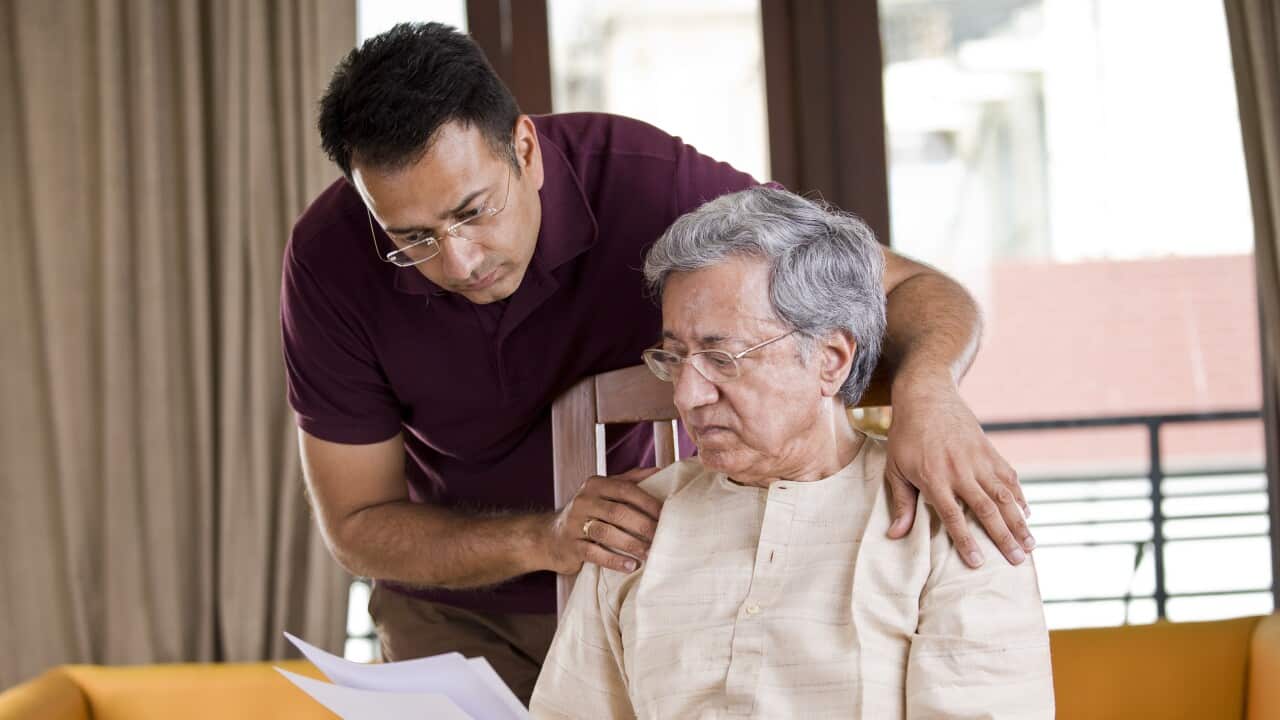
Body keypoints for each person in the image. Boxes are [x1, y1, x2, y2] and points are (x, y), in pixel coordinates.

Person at [283, 22, 1035, 701]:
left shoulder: (647, 184)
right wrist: (542, 539)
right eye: (411, 238)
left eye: (473, 211)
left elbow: (912, 290)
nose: (457, 260)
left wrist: (928, 392)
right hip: (457, 593)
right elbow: (357, 526)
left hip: (636, 570)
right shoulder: (331, 261)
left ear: (523, 148)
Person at [530, 187, 1054, 719]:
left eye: (721, 357)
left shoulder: (946, 518)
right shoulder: (637, 523)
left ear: (830, 360)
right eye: (676, 357)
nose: (687, 395)